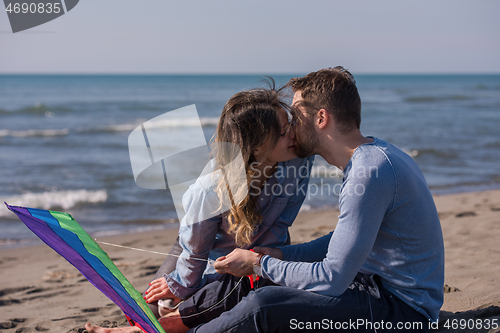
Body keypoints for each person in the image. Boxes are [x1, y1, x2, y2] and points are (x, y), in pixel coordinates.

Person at [188, 66, 445, 332]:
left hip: (404, 311)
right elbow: (343, 242)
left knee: (263, 306)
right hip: (376, 287)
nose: (291, 128)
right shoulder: (373, 157)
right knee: (268, 279)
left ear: (321, 118)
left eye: (296, 118)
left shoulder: (368, 173)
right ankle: (183, 321)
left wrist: (258, 263)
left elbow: (332, 279)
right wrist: (280, 255)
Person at [85, 86, 314, 333]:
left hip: (260, 248)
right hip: (201, 245)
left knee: (236, 287)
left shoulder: (299, 161)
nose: (293, 133)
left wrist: (256, 259)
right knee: (154, 305)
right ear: (257, 147)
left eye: (289, 124)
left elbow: (282, 223)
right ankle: (146, 326)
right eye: (283, 132)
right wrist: (183, 287)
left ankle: (150, 329)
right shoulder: (210, 189)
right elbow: (195, 252)